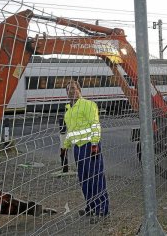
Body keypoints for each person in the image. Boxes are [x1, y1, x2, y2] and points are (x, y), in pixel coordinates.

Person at [63, 80, 109, 224]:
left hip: (90, 146)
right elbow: (71, 131)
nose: (71, 91)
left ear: (79, 90)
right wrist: (65, 146)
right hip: (78, 148)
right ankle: (90, 206)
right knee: (84, 179)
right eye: (68, 89)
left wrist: (95, 143)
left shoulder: (88, 105)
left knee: (95, 177)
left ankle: (102, 209)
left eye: (73, 89)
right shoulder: (68, 111)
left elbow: (95, 125)